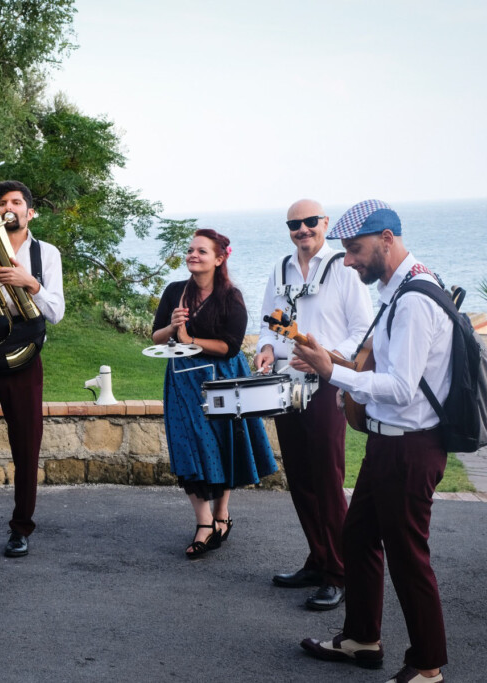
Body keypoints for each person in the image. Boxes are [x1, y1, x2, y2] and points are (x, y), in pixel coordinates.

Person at [294, 200, 452, 683]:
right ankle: (362, 638)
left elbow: (402, 387)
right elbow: (381, 368)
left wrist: (332, 374)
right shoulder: (399, 287)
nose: (347, 261)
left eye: (355, 250)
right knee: (358, 536)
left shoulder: (414, 301)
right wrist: (336, 362)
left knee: (408, 557)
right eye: (344, 252)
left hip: (410, 446)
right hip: (389, 443)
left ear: (386, 238)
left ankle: (427, 666)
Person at [256, 200, 372, 610]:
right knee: (301, 479)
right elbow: (269, 321)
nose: (302, 229)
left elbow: (362, 328)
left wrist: (328, 359)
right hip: (285, 383)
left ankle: (340, 572)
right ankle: (318, 559)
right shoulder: (279, 268)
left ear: (324, 223)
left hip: (323, 384)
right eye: (294, 224)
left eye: (309, 222)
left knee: (326, 478)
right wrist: (267, 348)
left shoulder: (344, 267)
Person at [151, 229, 277, 559]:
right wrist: (172, 326)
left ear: (219, 259)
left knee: (223, 444)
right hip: (182, 379)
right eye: (191, 250)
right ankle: (204, 522)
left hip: (223, 378)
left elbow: (229, 346)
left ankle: (221, 514)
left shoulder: (230, 297)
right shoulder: (175, 291)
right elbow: (157, 337)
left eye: (201, 251)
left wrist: (190, 339)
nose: (193, 255)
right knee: (189, 445)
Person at [0, 179, 65, 559]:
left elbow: (57, 312)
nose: (8, 206)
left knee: (26, 447)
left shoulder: (46, 253)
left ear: (29, 212)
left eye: (16, 201)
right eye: (1, 201)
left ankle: (21, 528)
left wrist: (30, 283)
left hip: (24, 359)